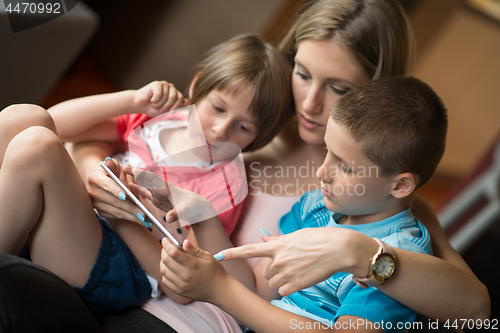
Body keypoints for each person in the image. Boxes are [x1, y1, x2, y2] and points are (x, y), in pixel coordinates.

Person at [77, 0, 488, 327]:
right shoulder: (241, 128)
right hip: (128, 270)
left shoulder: (374, 193)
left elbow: (474, 311)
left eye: (339, 88)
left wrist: (358, 250)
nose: (309, 104)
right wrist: (97, 171)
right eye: (303, 74)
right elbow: (96, 139)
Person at [0, 33, 292, 319]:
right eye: (217, 108)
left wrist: (122, 213)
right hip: (79, 217)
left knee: (37, 146)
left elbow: (180, 282)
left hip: (114, 263)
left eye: (243, 127)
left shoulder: (226, 183)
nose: (221, 129)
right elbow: (57, 122)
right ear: (196, 84)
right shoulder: (160, 121)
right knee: (22, 118)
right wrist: (132, 101)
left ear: (259, 138)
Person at [158, 76, 448, 332]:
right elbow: (260, 290)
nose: (322, 172)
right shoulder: (315, 206)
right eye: (327, 152)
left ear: (400, 185)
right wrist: (204, 216)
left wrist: (220, 290)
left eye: (345, 167)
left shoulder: (392, 260)